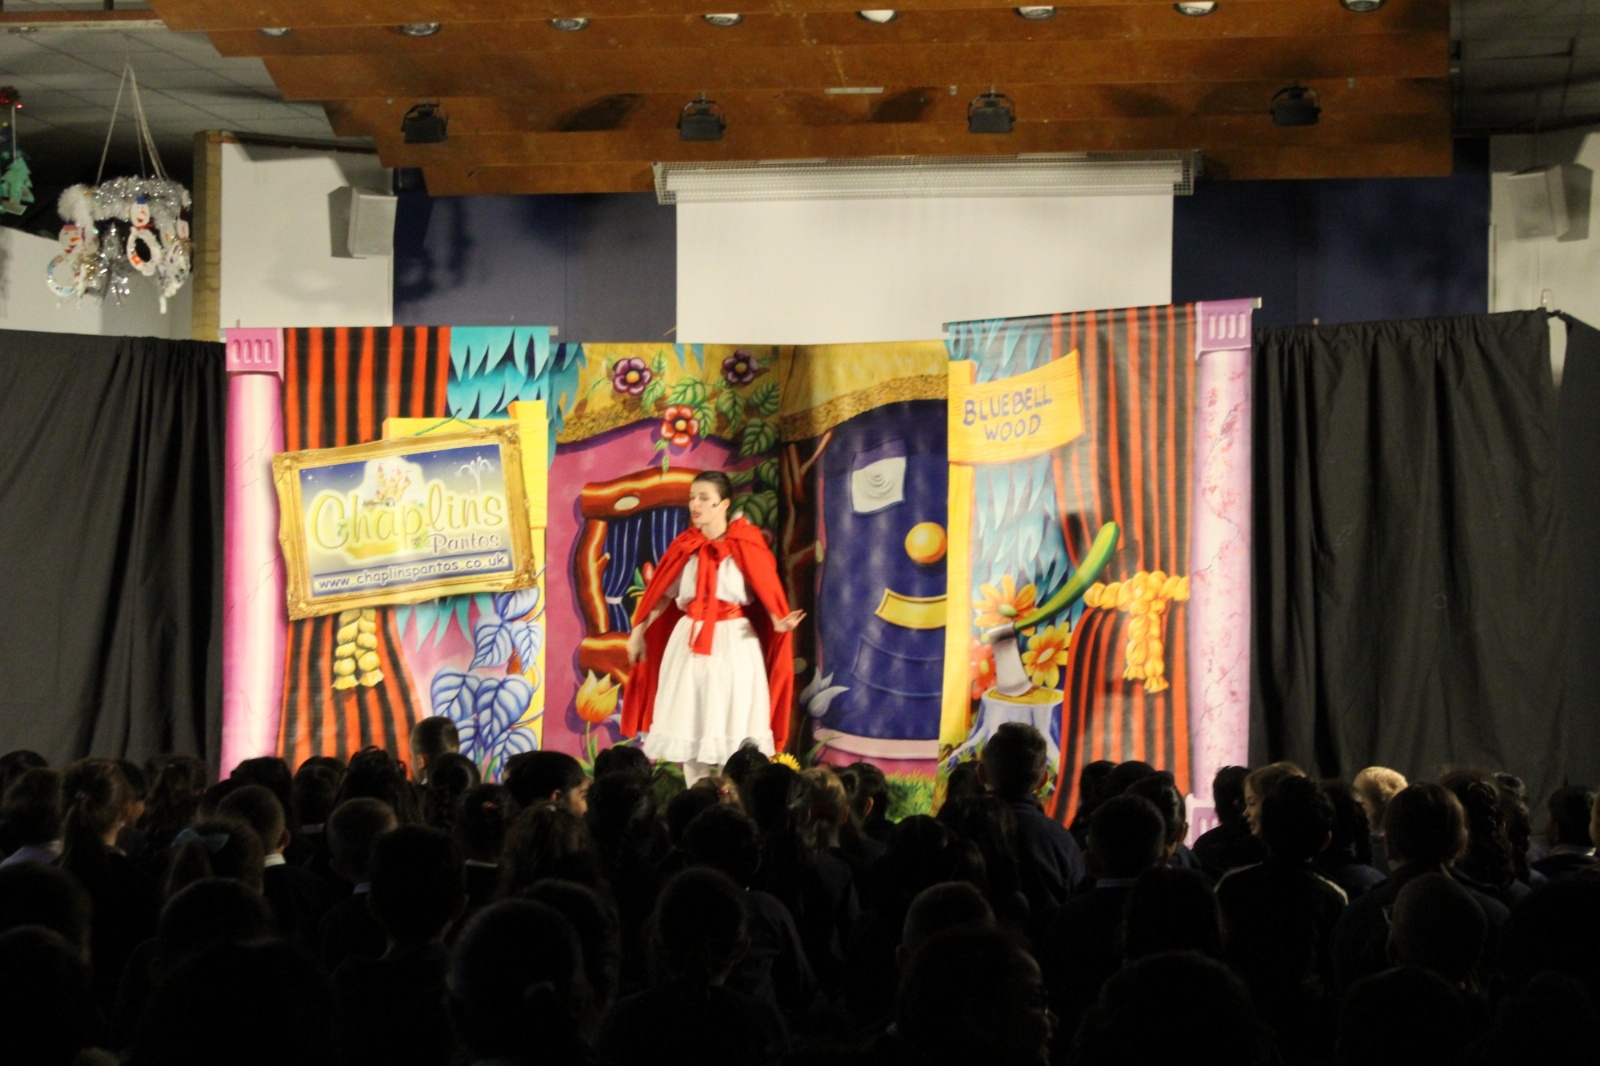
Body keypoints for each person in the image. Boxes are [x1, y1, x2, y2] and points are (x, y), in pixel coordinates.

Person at [622, 471, 804, 785]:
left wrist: (779, 620)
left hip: (734, 642)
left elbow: (766, 590)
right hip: (689, 641)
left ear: (724, 504)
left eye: (704, 498)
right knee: (691, 724)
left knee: (730, 725)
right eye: (692, 498)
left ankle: (728, 800)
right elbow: (662, 595)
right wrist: (638, 633)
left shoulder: (746, 543)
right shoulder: (685, 547)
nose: (695, 504)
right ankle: (696, 797)